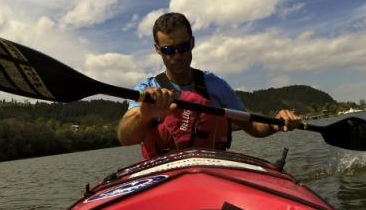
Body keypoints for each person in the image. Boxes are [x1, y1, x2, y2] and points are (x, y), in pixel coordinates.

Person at [117, 12, 301, 158]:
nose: (177, 55)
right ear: (158, 50)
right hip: (166, 179)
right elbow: (125, 137)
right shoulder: (147, 88)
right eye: (168, 50)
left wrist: (275, 123)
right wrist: (145, 114)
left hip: (212, 174)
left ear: (192, 43)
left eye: (183, 47)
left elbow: (252, 126)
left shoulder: (216, 84)